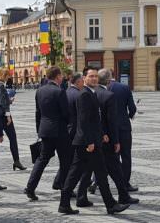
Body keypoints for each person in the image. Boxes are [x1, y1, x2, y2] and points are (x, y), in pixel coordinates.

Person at [58, 67, 130, 215]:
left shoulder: (91, 93)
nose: (94, 79)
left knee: (82, 174)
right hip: (87, 143)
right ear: (84, 78)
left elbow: (94, 119)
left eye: (96, 77)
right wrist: (90, 141)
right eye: (91, 76)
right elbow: (83, 121)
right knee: (91, 174)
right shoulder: (85, 94)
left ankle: (66, 204)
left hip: (89, 140)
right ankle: (110, 205)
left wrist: (102, 134)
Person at [77, 69, 138, 207]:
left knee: (89, 168)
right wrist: (115, 140)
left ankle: (81, 196)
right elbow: (111, 121)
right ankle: (123, 194)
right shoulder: (108, 94)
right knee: (116, 166)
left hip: (95, 137)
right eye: (91, 76)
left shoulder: (92, 93)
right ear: (110, 79)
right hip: (108, 137)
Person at [24, 66, 71, 201]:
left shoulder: (40, 91)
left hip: (45, 130)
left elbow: (38, 113)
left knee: (42, 160)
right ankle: (63, 186)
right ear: (57, 77)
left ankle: (30, 188)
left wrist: (39, 130)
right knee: (66, 160)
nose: (62, 78)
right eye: (61, 75)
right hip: (60, 131)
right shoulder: (59, 91)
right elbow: (65, 113)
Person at [52, 72, 83, 190]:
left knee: (68, 159)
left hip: (66, 130)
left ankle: (58, 181)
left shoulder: (66, 92)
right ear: (78, 82)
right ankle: (67, 186)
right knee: (73, 161)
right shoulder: (79, 95)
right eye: (82, 81)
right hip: (76, 131)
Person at [109, 71, 138, 192]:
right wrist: (129, 116)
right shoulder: (124, 88)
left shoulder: (100, 89)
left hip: (108, 129)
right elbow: (132, 108)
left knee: (110, 156)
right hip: (123, 127)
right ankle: (125, 183)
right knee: (126, 156)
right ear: (114, 75)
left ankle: (98, 182)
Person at [0, 68, 26, 171]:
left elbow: (0, 100)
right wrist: (8, 115)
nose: (9, 78)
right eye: (7, 75)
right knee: (12, 137)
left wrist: (8, 100)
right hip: (4, 116)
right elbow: (3, 103)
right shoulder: (1, 86)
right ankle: (16, 161)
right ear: (3, 75)